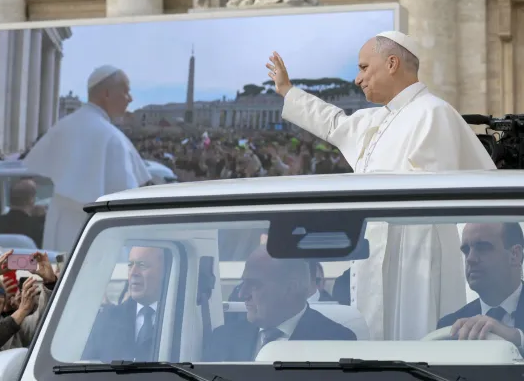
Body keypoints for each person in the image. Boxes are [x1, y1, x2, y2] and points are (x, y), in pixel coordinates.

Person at [265, 31, 497, 341]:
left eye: (363, 67)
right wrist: (288, 91)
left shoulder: (433, 113)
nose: (358, 79)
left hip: (416, 266)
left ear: (391, 63)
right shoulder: (376, 120)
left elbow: (452, 207)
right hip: (376, 259)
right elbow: (333, 123)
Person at [23, 65, 151, 252]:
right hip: (96, 242)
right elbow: (126, 205)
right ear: (106, 94)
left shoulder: (62, 127)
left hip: (60, 231)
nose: (130, 99)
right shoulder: (111, 137)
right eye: (126, 91)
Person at [203, 247, 355, 361]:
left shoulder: (337, 341)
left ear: (290, 288)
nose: (242, 294)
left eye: (254, 284)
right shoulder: (222, 338)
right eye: (243, 283)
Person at [438, 223, 524, 350]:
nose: (470, 259)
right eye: (466, 250)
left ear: (515, 255)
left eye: (483, 247)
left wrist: (518, 338)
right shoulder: (449, 327)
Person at [82, 246, 166, 362]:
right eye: (130, 265)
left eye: (142, 265)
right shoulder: (106, 320)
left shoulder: (184, 321)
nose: (133, 273)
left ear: (164, 271)